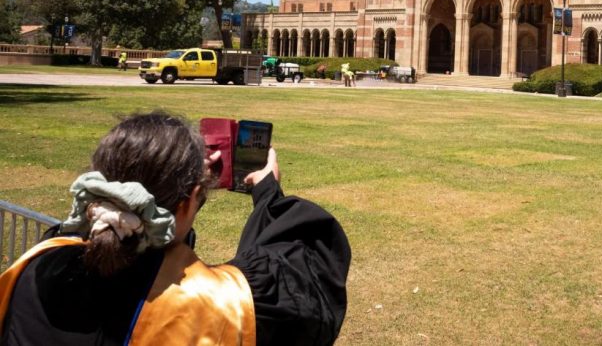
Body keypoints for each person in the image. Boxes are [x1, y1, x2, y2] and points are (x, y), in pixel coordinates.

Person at [0, 111, 351, 345]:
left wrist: (185, 186)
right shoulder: (211, 307)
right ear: (190, 200)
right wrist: (268, 194)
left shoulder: (38, 263)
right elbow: (305, 277)